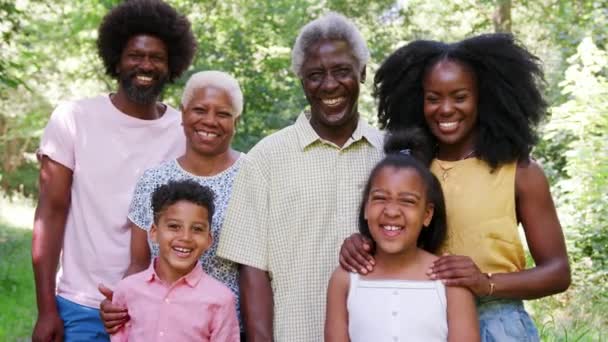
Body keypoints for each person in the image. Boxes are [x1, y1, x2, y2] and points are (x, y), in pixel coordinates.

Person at [339, 33, 571, 341]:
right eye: (433, 98)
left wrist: (486, 282)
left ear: (483, 98)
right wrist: (361, 245)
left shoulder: (520, 171)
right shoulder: (410, 170)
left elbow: (558, 272)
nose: (445, 109)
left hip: (497, 324)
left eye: (459, 97)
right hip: (422, 319)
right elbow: (391, 237)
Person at [31, 1, 196, 341]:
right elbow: (50, 214)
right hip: (81, 304)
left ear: (172, 65)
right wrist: (47, 309)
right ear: (117, 60)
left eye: (157, 57)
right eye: (135, 55)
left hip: (158, 307)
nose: (145, 65)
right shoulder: (73, 119)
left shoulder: (183, 130)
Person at [216, 12, 384, 342]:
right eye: (315, 75)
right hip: (294, 333)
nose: (330, 85)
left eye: (341, 71)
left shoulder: (391, 154)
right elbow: (252, 270)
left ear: (362, 73)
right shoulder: (265, 158)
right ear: (301, 81)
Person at [99, 70, 246, 338]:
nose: (210, 121)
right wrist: (119, 305)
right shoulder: (153, 180)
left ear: (236, 120)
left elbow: (259, 271)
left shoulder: (253, 176)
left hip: (224, 328)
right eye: (200, 110)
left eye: (223, 114)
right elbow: (139, 263)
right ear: (183, 113)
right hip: (157, 324)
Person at [325, 129, 479, 342]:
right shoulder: (345, 279)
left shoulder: (450, 281)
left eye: (407, 201)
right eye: (380, 198)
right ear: (365, 208)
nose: (392, 211)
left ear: (427, 214)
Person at [110, 180, 239, 341]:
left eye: (197, 229)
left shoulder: (221, 299)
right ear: (154, 232)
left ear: (208, 239)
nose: (185, 237)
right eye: (174, 226)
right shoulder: (127, 290)